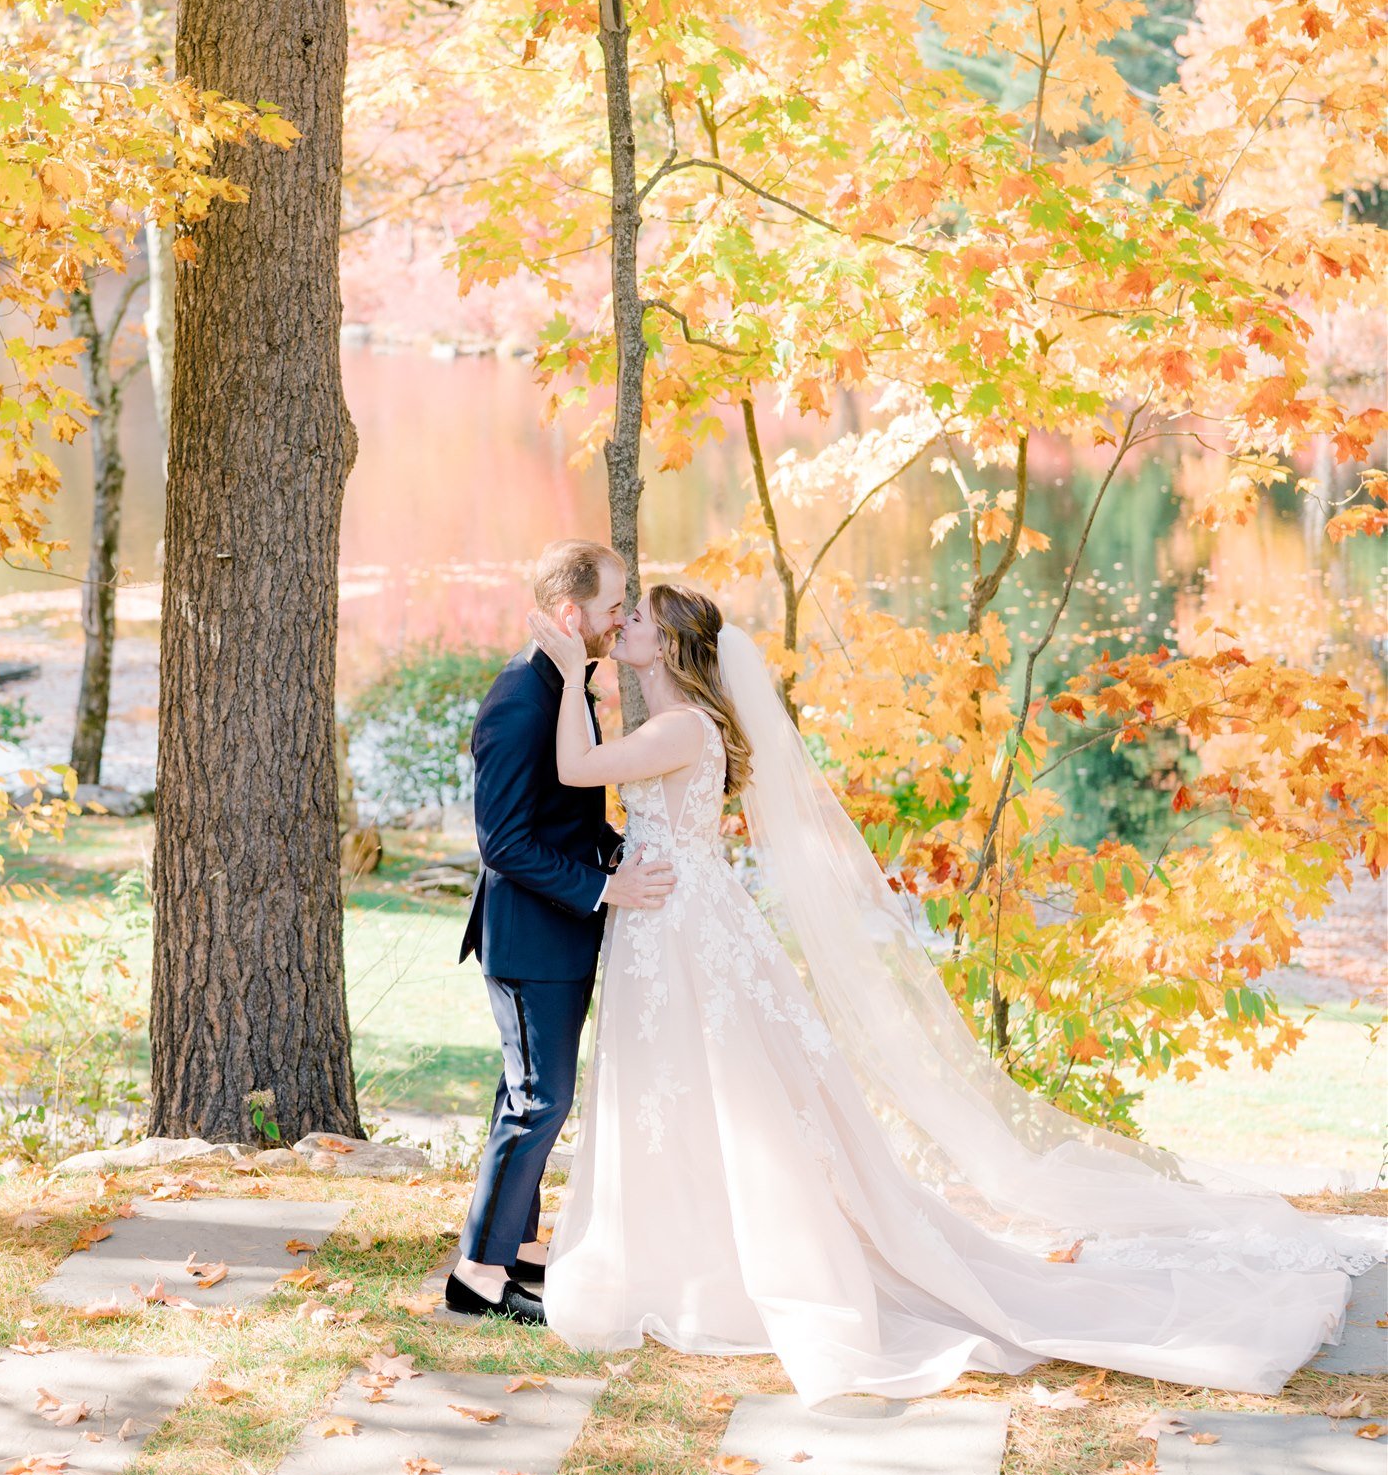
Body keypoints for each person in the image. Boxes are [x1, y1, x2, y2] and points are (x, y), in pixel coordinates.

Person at [529, 582, 1384, 1405]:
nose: (624, 624)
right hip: (677, 920)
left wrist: (569, 671)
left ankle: (726, 1265)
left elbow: (576, 767)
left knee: (715, 1090)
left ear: (671, 645)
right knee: (692, 1093)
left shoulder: (680, 727)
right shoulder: (682, 721)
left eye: (637, 618)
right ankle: (687, 1253)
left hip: (684, 931)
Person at [446, 540, 679, 1321]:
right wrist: (606, 888)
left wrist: (626, 854)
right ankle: (476, 1277)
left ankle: (511, 1248)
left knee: (532, 1097)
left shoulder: (566, 686)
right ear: (568, 613)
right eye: (614, 605)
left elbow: (567, 821)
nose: (621, 619)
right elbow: (503, 843)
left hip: (564, 934)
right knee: (539, 1099)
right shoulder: (520, 700)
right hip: (529, 940)